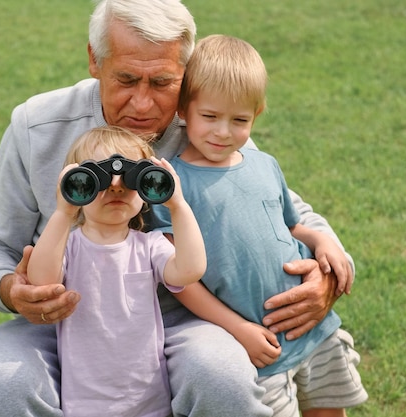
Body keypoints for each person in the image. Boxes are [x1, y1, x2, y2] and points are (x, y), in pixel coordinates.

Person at [0, 1, 355, 416]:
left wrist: (326, 266)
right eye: (127, 79)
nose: (144, 103)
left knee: (222, 376)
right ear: (95, 60)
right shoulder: (36, 126)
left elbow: (281, 206)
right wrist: (13, 290)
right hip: (65, 316)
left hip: (185, 315)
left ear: (185, 74)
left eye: (163, 82)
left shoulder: (208, 125)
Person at [152, 34, 368, 417]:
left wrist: (322, 241)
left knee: (329, 408)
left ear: (257, 113)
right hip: (259, 341)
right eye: (210, 117)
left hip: (314, 328)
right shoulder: (175, 187)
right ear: (184, 110)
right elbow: (180, 279)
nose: (223, 132)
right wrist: (239, 330)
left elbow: (291, 225)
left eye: (239, 120)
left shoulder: (264, 164)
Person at [26, 126, 206, 417]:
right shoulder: (68, 246)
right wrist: (63, 213)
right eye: (99, 179)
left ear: (147, 189)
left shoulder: (149, 246)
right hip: (84, 404)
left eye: (132, 179)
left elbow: (190, 270)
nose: (116, 187)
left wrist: (178, 205)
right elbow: (42, 280)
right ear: (77, 185)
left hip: (149, 402)